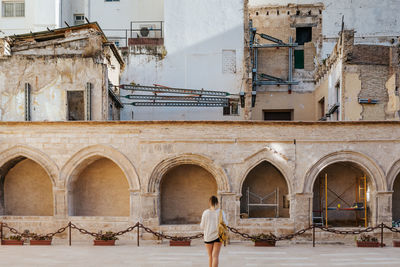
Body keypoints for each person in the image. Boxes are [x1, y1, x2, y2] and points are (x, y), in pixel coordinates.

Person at [200, 195, 227, 267]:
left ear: (209, 203)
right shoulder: (221, 212)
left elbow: (202, 226)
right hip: (218, 236)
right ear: (217, 203)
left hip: (208, 236)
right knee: (215, 256)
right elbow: (226, 224)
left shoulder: (205, 212)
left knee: (210, 256)